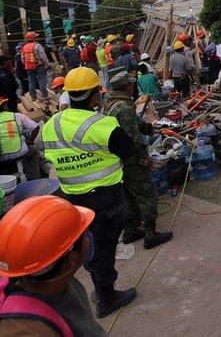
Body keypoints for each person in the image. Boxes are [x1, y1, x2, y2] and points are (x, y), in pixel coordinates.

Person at [39, 67, 138, 317]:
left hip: (73, 199)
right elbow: (127, 150)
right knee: (105, 246)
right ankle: (106, 296)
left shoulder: (52, 124)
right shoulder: (101, 124)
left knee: (89, 245)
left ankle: (99, 286)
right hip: (105, 198)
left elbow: (47, 154)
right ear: (95, 97)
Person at [0, 195, 107, 336]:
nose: (89, 239)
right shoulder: (29, 330)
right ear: (72, 257)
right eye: (84, 235)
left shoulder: (54, 280)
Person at [104, 70, 173, 250]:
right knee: (148, 195)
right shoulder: (124, 108)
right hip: (131, 160)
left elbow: (135, 124)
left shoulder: (110, 103)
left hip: (117, 159)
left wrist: (150, 129)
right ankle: (150, 235)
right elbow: (133, 139)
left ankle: (130, 230)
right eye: (131, 84)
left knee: (129, 197)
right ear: (127, 86)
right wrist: (145, 159)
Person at [0, 95, 40, 180]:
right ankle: (35, 179)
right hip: (19, 152)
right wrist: (30, 142)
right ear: (4, 106)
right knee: (34, 151)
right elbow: (36, 128)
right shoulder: (17, 116)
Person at [21, 31, 50, 99]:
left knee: (31, 81)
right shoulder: (37, 45)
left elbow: (23, 59)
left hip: (29, 67)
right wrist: (47, 65)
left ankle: (33, 97)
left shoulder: (24, 47)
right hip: (39, 66)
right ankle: (44, 95)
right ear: (34, 38)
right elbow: (43, 56)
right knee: (42, 80)